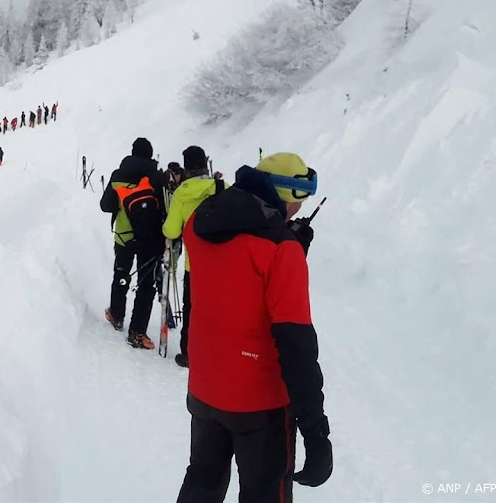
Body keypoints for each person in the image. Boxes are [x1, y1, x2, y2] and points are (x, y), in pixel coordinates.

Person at [176, 152, 330, 503]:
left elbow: (234, 276)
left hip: (206, 389)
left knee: (202, 481)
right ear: (286, 194)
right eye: (299, 199)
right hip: (261, 406)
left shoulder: (199, 223)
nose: (299, 210)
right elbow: (297, 346)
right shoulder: (281, 251)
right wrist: (316, 432)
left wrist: (286, 242)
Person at [99, 137, 167, 350]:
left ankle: (117, 315)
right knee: (146, 285)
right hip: (150, 239)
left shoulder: (118, 175)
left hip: (124, 236)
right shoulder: (156, 177)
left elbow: (105, 206)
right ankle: (137, 332)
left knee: (121, 275)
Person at [162, 147, 224, 369]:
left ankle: (189, 353)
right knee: (219, 308)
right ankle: (218, 351)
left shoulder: (181, 193)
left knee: (192, 308)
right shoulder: (221, 187)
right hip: (224, 262)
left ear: (186, 168)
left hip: (195, 263)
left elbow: (171, 231)